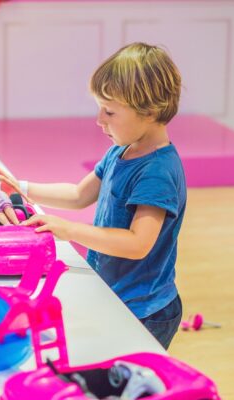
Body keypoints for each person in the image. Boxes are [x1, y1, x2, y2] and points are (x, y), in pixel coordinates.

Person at [18, 42, 186, 349]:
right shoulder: (120, 152)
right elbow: (78, 195)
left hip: (144, 311)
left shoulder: (157, 171)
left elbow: (138, 244)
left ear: (149, 111)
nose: (99, 119)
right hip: (117, 296)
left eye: (109, 111)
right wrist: (21, 187)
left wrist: (68, 230)